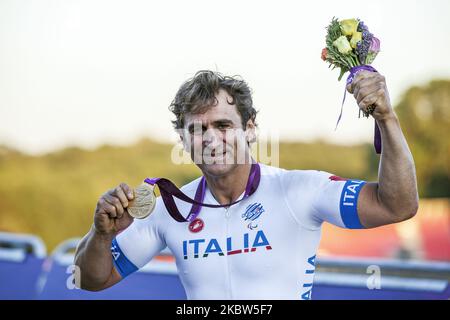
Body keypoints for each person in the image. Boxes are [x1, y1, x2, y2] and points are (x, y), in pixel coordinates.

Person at [74, 70, 419, 299]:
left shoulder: (298, 191)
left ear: (250, 128)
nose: (210, 138)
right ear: (183, 140)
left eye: (223, 125)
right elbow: (89, 279)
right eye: (196, 129)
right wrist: (101, 235)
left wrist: (386, 118)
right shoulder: (170, 206)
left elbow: (397, 204)